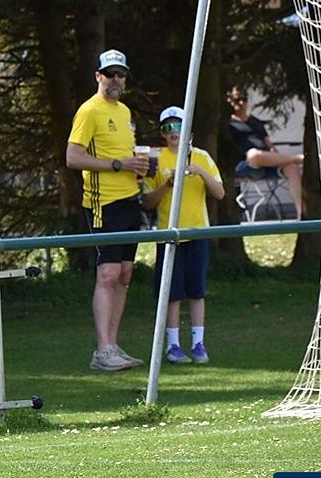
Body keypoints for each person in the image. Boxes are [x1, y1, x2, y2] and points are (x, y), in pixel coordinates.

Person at [66, 49, 149, 372]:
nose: (116, 79)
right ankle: (102, 351)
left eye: (121, 74)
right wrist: (118, 165)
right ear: (98, 76)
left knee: (125, 274)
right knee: (108, 273)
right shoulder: (89, 110)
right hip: (103, 203)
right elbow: (73, 158)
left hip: (130, 200)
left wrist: (140, 168)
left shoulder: (124, 111)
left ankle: (112, 345)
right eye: (110, 74)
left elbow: (127, 157)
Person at [142, 106, 225, 364]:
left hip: (197, 233)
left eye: (178, 125)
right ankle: (173, 346)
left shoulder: (201, 156)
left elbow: (220, 193)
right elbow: (147, 202)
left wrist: (200, 171)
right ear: (162, 133)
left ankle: (198, 344)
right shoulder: (156, 159)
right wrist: (167, 185)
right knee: (172, 294)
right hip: (169, 236)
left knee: (197, 293)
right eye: (167, 127)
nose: (173, 132)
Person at [227, 85, 304, 219]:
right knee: (254, 154)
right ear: (230, 101)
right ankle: (298, 158)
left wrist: (274, 152)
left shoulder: (255, 121)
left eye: (244, 99)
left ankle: (300, 214)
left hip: (268, 162)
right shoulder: (230, 124)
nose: (241, 103)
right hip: (246, 165)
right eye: (237, 99)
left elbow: (269, 144)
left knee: (292, 168)